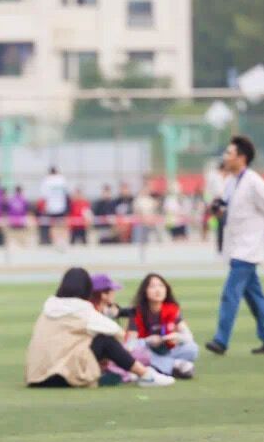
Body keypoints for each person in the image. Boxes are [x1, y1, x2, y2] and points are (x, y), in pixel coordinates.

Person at [205, 135, 264, 356]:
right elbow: (225, 209)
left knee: (230, 294)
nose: (225, 157)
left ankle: (221, 340)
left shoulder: (254, 182)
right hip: (236, 246)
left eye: (229, 153)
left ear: (241, 158)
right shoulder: (231, 182)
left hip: (247, 249)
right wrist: (216, 209)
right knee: (255, 296)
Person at [26, 269, 174, 388]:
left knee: (91, 341)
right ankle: (146, 375)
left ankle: (136, 373)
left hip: (37, 377)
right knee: (105, 340)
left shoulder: (48, 309)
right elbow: (117, 332)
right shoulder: (81, 310)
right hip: (63, 376)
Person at [125, 273, 198, 379]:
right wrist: (147, 341)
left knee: (192, 349)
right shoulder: (136, 312)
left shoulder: (172, 309)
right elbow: (129, 345)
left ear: (166, 289)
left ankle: (158, 368)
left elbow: (188, 337)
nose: (158, 290)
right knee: (136, 354)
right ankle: (175, 366)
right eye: (152, 286)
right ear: (145, 291)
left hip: (167, 351)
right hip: (147, 351)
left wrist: (177, 337)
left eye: (161, 286)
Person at [39, 166, 69, 245]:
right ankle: (63, 241)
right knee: (62, 225)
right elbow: (66, 194)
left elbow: (44, 196)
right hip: (61, 207)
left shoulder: (46, 180)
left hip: (51, 207)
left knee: (53, 226)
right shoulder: (62, 179)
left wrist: (44, 208)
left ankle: (55, 241)